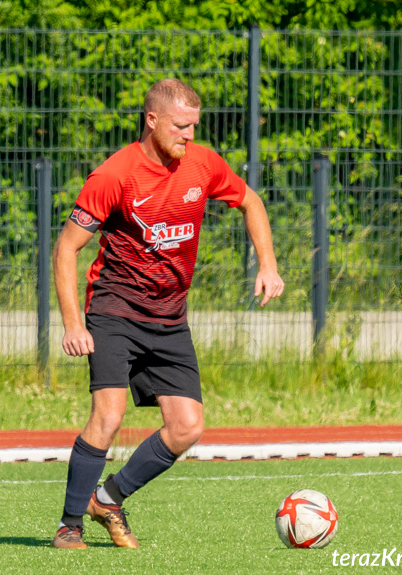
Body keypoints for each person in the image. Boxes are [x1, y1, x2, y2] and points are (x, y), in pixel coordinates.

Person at [51, 79, 285, 549]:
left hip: (170, 316)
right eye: (181, 126)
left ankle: (109, 498)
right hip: (115, 308)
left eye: (195, 126)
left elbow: (250, 201)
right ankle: (70, 525)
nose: (189, 135)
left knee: (188, 426)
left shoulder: (201, 163)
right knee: (109, 414)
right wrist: (74, 323)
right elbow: (65, 249)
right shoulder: (114, 175)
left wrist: (268, 264)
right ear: (152, 120)